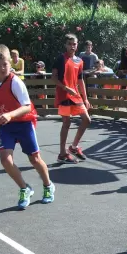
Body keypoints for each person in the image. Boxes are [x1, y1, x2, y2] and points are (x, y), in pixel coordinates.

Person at [0, 45, 54, 209]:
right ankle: (24, 188)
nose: (2, 68)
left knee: (34, 159)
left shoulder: (16, 82)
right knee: (5, 160)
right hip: (6, 125)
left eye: (5, 64)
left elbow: (27, 107)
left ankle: (48, 185)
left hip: (24, 123)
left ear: (10, 62)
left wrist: (10, 114)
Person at [52, 33, 91, 163]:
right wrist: (66, 88)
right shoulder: (60, 59)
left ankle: (73, 147)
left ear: (77, 45)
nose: (72, 46)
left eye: (74, 44)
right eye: (69, 44)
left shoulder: (79, 61)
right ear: (65, 45)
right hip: (64, 95)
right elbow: (54, 78)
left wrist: (85, 98)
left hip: (76, 96)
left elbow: (80, 80)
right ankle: (62, 154)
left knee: (87, 120)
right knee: (66, 123)